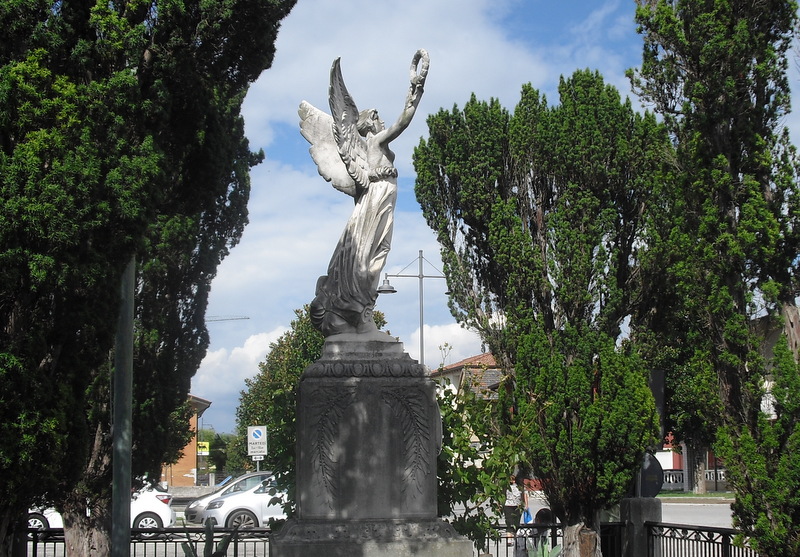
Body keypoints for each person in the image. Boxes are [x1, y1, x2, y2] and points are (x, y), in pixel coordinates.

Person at [299, 50, 429, 337]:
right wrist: (415, 94)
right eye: (377, 117)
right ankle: (358, 312)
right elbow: (403, 123)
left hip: (382, 199)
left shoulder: (376, 146)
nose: (381, 120)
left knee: (378, 252)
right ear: (369, 124)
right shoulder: (374, 142)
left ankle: (360, 313)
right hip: (375, 200)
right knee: (369, 257)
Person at [504, 475, 523, 541]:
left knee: (517, 522)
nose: (512, 481)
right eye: (511, 480)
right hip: (508, 505)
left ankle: (515, 537)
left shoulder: (519, 486)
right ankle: (509, 539)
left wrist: (523, 504)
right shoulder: (506, 486)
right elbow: (503, 495)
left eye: (513, 479)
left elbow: (522, 495)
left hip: (518, 505)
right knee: (509, 521)